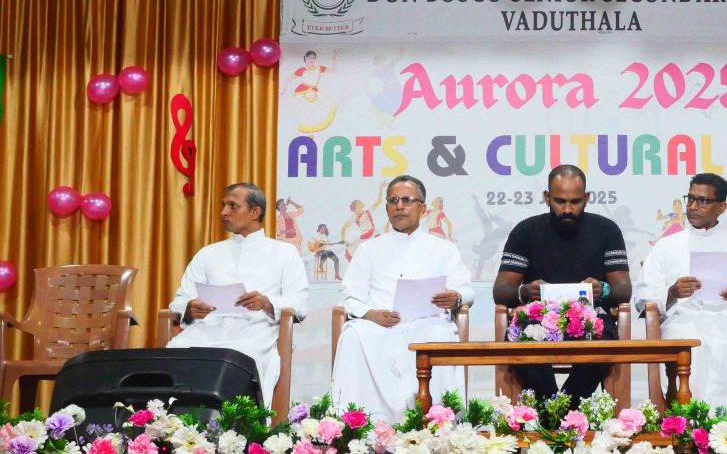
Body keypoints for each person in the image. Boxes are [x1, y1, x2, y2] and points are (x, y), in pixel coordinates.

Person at [331, 175, 474, 422]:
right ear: (386, 207)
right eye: (393, 200)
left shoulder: (443, 249)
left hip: (425, 324)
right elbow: (351, 295)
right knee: (353, 335)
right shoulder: (369, 249)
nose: (399, 206)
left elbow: (467, 291)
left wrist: (456, 297)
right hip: (378, 327)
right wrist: (370, 314)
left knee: (439, 335)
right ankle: (358, 425)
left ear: (423, 208)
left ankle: (436, 424)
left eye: (407, 200)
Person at [636, 173, 727, 416]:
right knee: (696, 347)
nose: (693, 206)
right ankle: (695, 427)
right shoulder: (666, 246)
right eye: (690, 198)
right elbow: (643, 297)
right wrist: (672, 292)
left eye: (702, 201)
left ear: (721, 207)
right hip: (684, 320)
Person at [493, 164, 632, 405]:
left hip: (591, 319)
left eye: (575, 202)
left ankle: (565, 409)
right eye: (560, 201)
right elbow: (501, 291)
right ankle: (557, 411)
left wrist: (603, 289)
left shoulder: (606, 230)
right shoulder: (525, 231)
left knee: (604, 340)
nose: (567, 209)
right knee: (520, 338)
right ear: (547, 197)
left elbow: (624, 290)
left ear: (586, 198)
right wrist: (525, 291)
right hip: (537, 319)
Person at [168, 183, 309, 403]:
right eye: (224, 205)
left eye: (233, 206)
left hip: (255, 332)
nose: (224, 212)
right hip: (206, 330)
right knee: (176, 348)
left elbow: (300, 304)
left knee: (241, 353)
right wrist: (189, 308)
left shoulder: (285, 253)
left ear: (255, 212)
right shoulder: (208, 254)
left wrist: (267, 303)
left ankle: (238, 422)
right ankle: (178, 418)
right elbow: (179, 300)